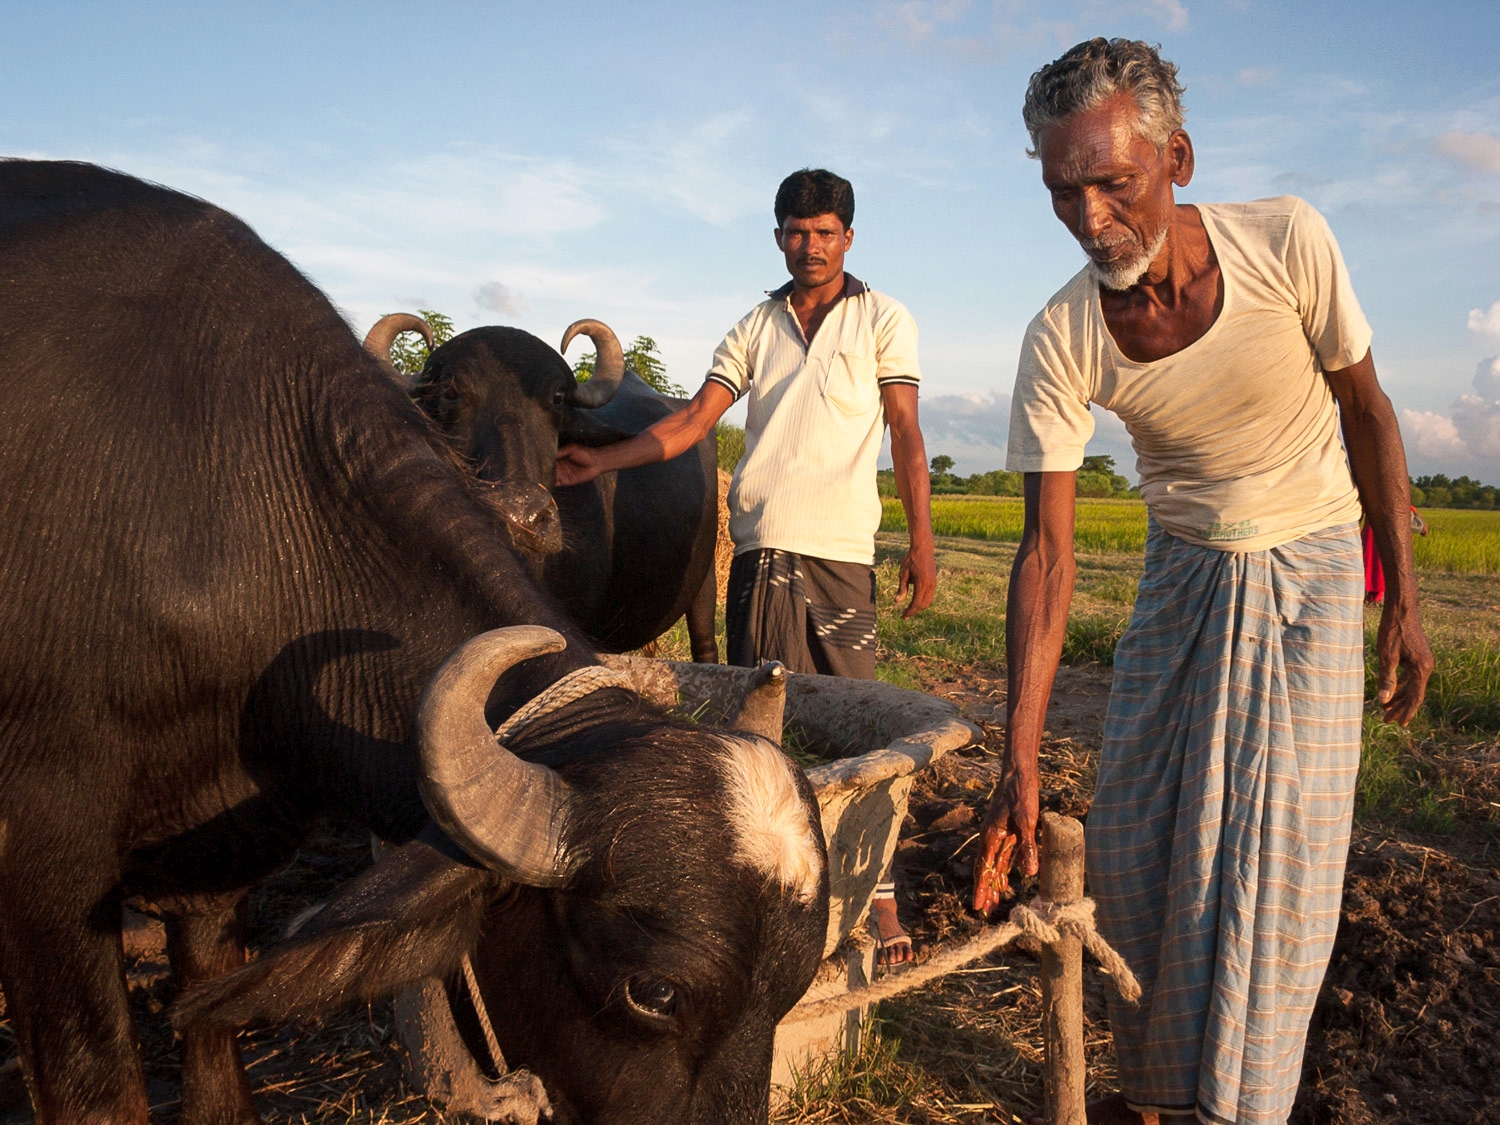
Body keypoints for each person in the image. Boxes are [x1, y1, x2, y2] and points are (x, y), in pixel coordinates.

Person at [970, 39, 1433, 1125]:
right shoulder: (1064, 335)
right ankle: (1152, 1091)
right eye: (1061, 192)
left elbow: (1368, 413)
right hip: (1182, 583)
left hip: (1314, 571)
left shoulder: (1286, 240)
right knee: (1136, 850)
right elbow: (1045, 552)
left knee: (1276, 865)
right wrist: (1019, 762)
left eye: (1113, 183)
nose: (1090, 220)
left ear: (1176, 156)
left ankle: (1240, 1104)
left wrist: (1404, 600)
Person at [557, 167, 937, 964]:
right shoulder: (757, 325)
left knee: (853, 719)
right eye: (797, 233)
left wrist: (923, 538)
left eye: (826, 233)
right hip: (761, 548)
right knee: (765, 726)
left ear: (849, 239)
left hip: (839, 551)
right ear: (778, 237)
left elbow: (903, 430)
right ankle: (779, 894)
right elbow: (693, 420)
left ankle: (880, 898)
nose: (811, 246)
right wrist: (602, 459)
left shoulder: (883, 318)